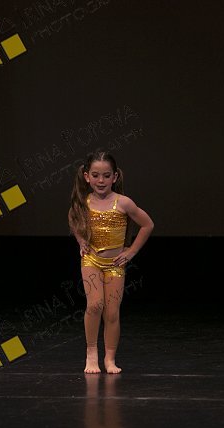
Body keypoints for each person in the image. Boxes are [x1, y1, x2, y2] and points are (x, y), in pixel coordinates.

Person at [68, 149, 153, 374]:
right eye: (96, 175)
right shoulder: (84, 202)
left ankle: (110, 358)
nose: (101, 180)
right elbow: (73, 218)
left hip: (115, 264)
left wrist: (132, 251)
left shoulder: (123, 203)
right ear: (87, 176)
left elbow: (147, 224)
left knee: (112, 312)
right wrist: (81, 240)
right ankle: (91, 353)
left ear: (115, 177)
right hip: (92, 260)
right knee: (94, 305)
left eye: (106, 175)